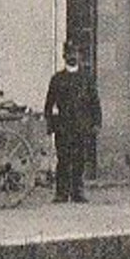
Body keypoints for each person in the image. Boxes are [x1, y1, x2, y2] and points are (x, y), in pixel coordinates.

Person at [44, 41, 101, 204]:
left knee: (79, 159)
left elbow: (95, 102)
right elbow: (49, 104)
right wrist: (50, 124)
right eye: (69, 53)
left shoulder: (87, 78)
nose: (72, 56)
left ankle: (78, 192)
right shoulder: (57, 79)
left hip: (82, 126)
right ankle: (61, 193)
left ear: (80, 56)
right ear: (64, 56)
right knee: (62, 159)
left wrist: (96, 122)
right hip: (63, 126)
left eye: (75, 53)